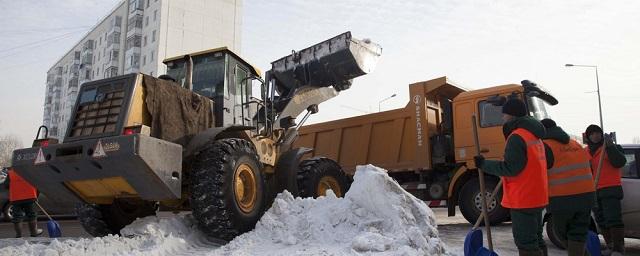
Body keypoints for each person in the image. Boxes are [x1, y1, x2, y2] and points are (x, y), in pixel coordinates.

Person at [474, 98, 552, 256]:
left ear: (512, 115)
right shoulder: (534, 134)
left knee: (526, 243)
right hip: (537, 196)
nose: (503, 118)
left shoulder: (517, 137)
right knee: (536, 239)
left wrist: (484, 164)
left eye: (505, 114)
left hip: (523, 199)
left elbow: (511, 168)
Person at [540, 119, 595, 256]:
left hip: (562, 198)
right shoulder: (575, 143)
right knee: (578, 233)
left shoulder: (545, 146)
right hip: (586, 197)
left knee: (560, 232)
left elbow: (537, 172)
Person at [584, 124, 626, 255]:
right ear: (588, 136)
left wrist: (611, 147)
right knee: (601, 219)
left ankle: (618, 249)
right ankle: (610, 245)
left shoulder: (611, 148)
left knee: (613, 219)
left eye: (597, 133)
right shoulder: (585, 152)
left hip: (610, 189)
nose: (595, 136)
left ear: (601, 134)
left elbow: (620, 162)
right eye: (592, 134)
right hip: (594, 190)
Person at [5, 169, 43, 238]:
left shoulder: (11, 172)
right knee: (31, 215)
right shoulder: (31, 171)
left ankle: (18, 235)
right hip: (30, 196)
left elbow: (6, 185)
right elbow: (38, 184)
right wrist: (36, 196)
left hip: (15, 198)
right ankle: (34, 232)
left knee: (17, 217)